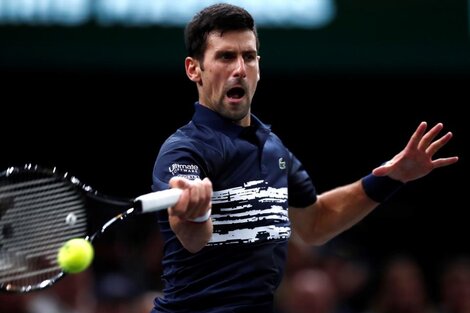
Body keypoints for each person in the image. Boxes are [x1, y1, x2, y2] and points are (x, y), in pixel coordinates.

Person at [150, 3, 459, 313]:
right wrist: (197, 211)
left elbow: (316, 223)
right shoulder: (183, 151)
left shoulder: (274, 150)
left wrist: (391, 178)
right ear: (194, 69)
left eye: (249, 56)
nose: (240, 69)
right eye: (226, 56)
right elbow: (191, 237)